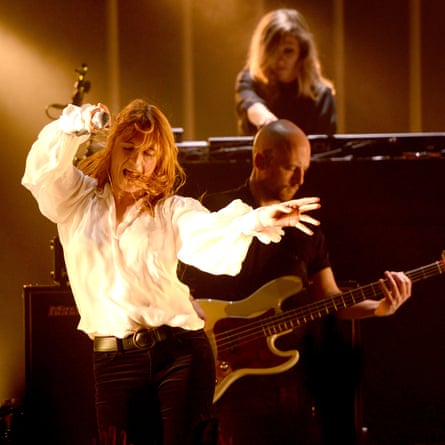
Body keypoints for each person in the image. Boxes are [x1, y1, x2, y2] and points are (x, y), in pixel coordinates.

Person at [21, 99, 321, 445]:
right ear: (112, 149)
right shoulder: (76, 201)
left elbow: (207, 232)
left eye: (148, 154)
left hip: (180, 353)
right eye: (129, 148)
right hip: (112, 359)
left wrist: (256, 219)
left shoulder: (169, 212)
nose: (136, 162)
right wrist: (72, 126)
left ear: (160, 161)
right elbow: (44, 173)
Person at [179, 119, 412, 445]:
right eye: (291, 168)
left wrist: (379, 307)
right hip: (221, 374)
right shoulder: (215, 209)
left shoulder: (307, 230)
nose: (301, 179)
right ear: (261, 161)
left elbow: (329, 299)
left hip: (285, 383)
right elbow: (176, 281)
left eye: (304, 168)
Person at [235, 8, 337, 136]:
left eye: (288, 51)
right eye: (273, 50)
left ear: (302, 52)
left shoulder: (321, 95)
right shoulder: (250, 80)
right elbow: (250, 105)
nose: (280, 60)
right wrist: (267, 121)